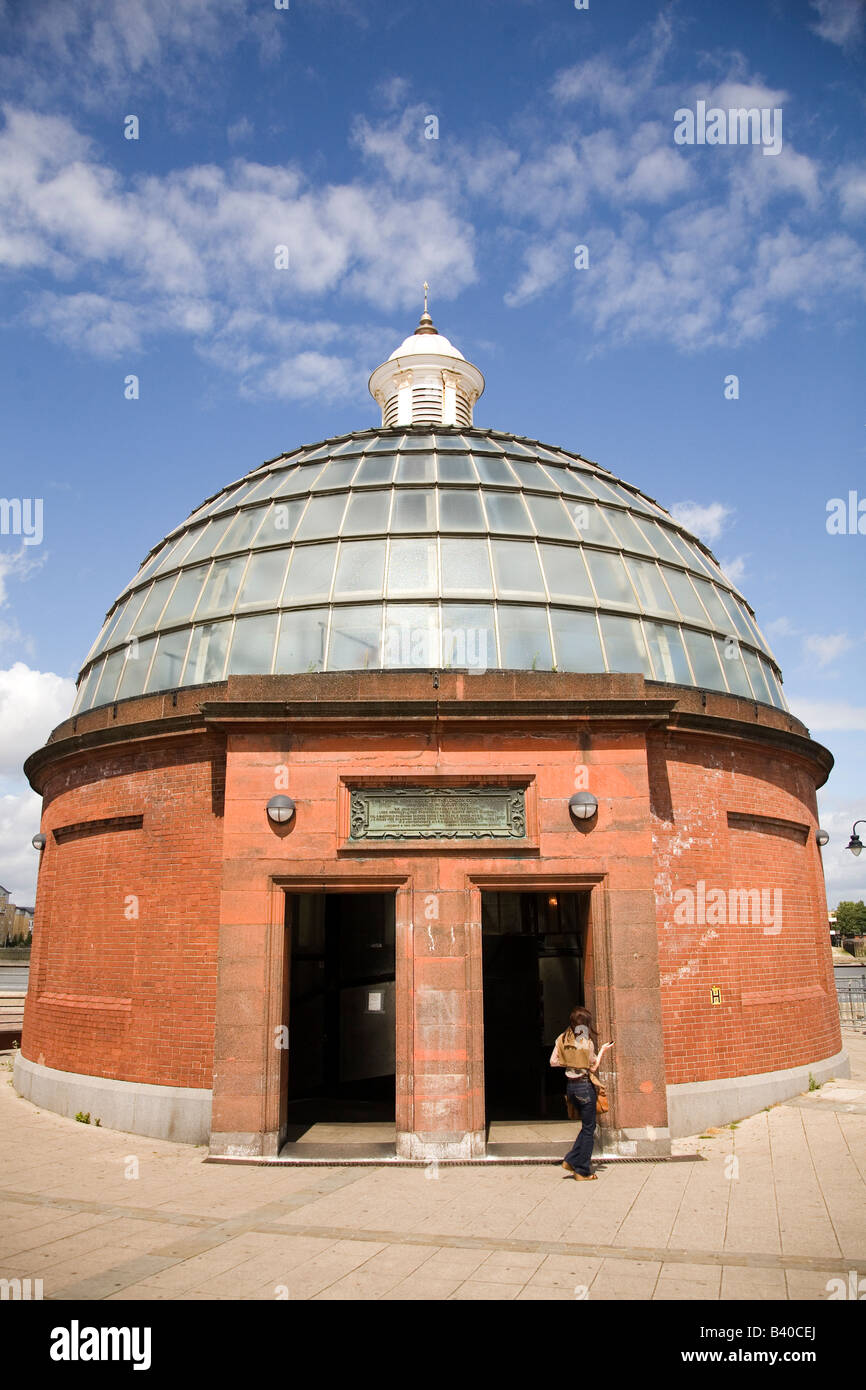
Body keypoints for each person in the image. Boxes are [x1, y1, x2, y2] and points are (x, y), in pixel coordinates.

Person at [550, 1006, 613, 1181]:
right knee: (589, 1128)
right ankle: (582, 1170)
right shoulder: (586, 1043)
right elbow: (593, 1067)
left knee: (587, 1127)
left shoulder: (561, 1039)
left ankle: (571, 1160)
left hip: (570, 1087)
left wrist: (569, 1062)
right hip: (585, 1087)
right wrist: (602, 1051)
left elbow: (553, 1062)